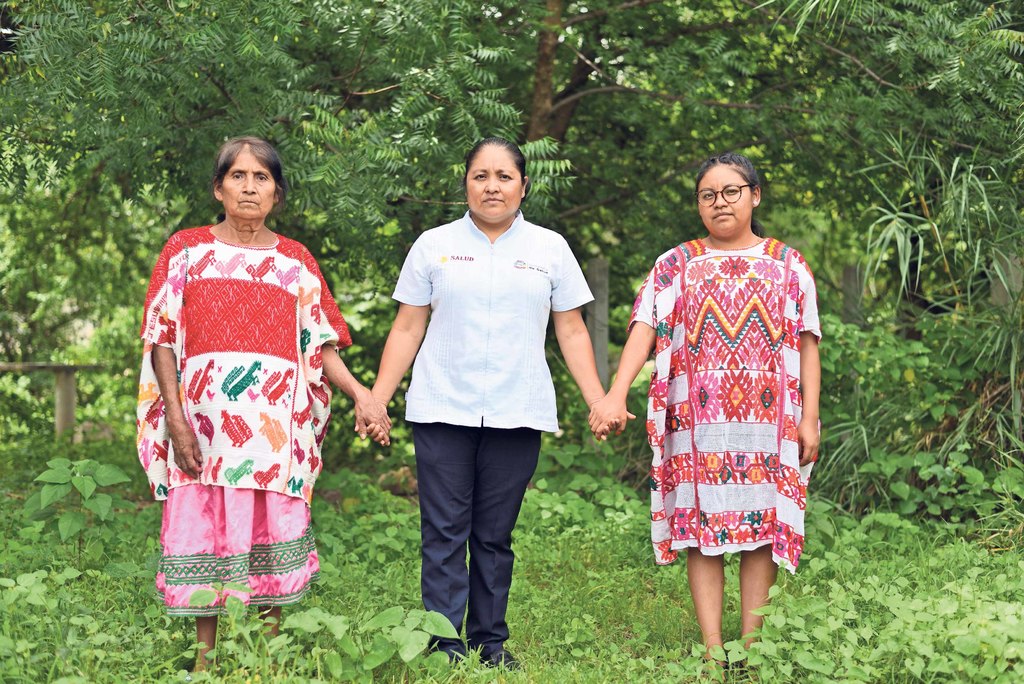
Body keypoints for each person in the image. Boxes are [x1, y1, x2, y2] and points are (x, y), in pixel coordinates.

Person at [136, 136, 389, 671]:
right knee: (205, 528)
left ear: (277, 193)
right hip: (202, 431)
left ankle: (267, 662)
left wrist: (363, 395)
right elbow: (161, 339)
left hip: (273, 435)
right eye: (238, 176)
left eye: (261, 177)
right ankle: (204, 662)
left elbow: (320, 345)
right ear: (218, 188)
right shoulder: (185, 250)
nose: (249, 187)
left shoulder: (295, 261)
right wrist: (177, 420)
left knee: (269, 531)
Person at [369, 137, 606, 669]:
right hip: (441, 408)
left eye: (504, 176)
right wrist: (377, 399)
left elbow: (571, 330)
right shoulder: (433, 245)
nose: (492, 186)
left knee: (495, 536)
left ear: (524, 185)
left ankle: (489, 643)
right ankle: (444, 644)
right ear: (466, 184)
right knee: (444, 531)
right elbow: (407, 326)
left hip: (517, 409)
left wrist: (598, 400)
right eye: (481, 176)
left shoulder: (549, 248)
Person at [589, 152, 821, 665]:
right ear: (698, 204)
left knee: (762, 532)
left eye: (731, 191)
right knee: (700, 532)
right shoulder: (676, 264)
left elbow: (808, 343)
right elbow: (644, 328)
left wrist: (809, 418)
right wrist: (615, 393)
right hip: (696, 424)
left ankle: (752, 650)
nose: (720, 203)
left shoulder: (789, 264)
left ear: (755, 195)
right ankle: (714, 651)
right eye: (708, 195)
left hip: (769, 423)